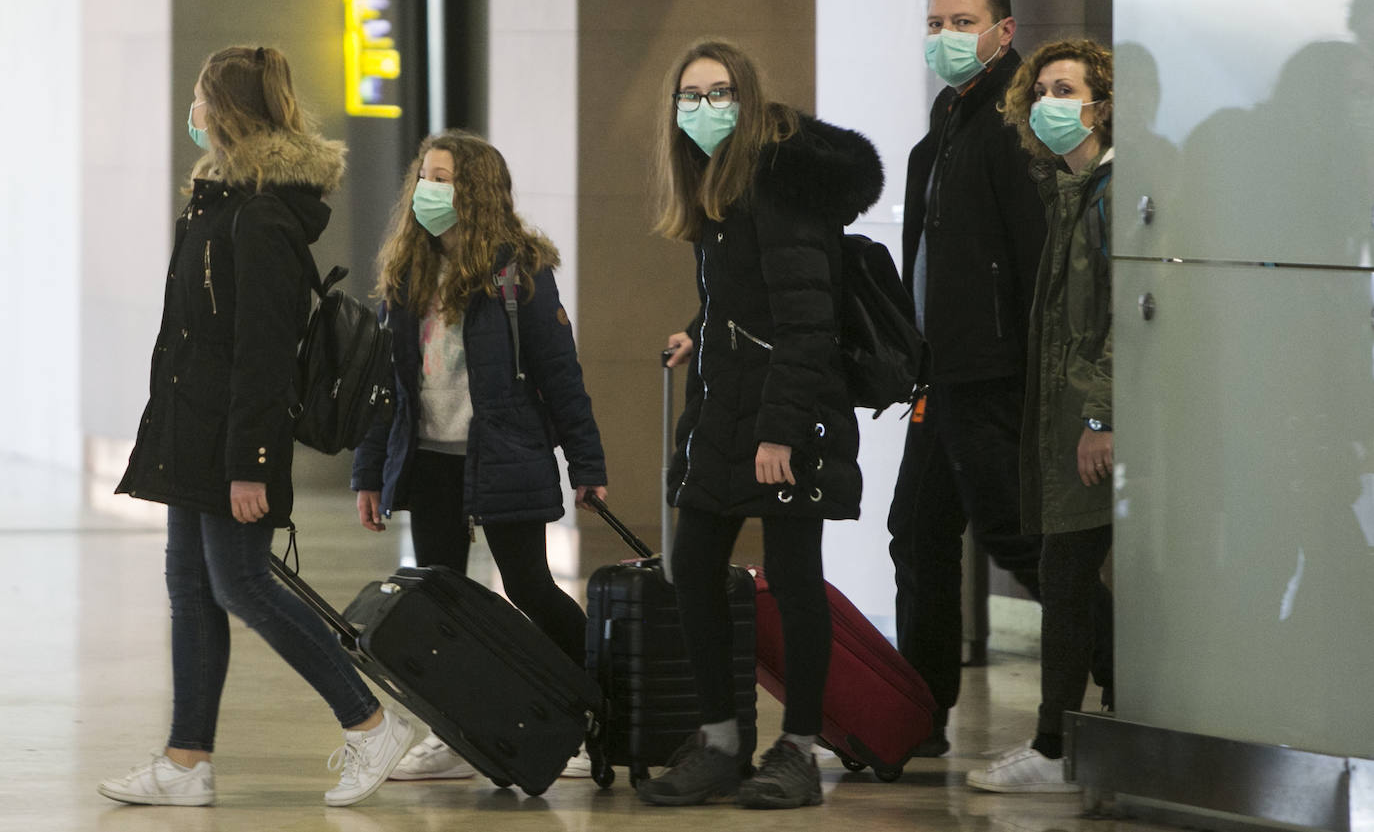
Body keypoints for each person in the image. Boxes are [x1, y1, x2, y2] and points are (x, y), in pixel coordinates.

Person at [104, 46, 418, 808]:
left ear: (229, 111)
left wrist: (251, 459)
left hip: (232, 435)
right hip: (194, 427)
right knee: (190, 583)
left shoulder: (263, 216)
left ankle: (370, 722)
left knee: (242, 581)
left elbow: (264, 352)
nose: (194, 111)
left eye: (202, 98)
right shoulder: (220, 201)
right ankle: (186, 760)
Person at [634, 39, 883, 809]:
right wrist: (696, 328)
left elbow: (807, 323)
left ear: (744, 100)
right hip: (726, 405)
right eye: (688, 95)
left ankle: (799, 749)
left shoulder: (777, 183)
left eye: (718, 93)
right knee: (694, 563)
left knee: (793, 577)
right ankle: (719, 742)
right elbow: (747, 296)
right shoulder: (719, 186)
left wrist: (780, 431)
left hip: (785, 416)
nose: (702, 108)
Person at [349, 129, 609, 782]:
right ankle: (458, 735)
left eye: (448, 179)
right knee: (441, 605)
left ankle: (598, 713)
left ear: (480, 192)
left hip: (503, 454)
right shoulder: (407, 271)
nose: (432, 191)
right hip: (429, 460)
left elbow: (561, 375)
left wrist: (588, 466)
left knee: (529, 588)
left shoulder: (517, 272)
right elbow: (387, 388)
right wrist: (368, 471)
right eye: (427, 177)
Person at [886, 0, 1056, 755]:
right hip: (939, 374)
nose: (944, 35)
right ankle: (921, 715)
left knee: (1012, 534)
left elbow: (1032, 261)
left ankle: (1124, 669)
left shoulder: (1012, 126)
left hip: (990, 374)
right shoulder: (949, 119)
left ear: (1003, 31)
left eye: (962, 21)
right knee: (916, 533)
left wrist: (1027, 375)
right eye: (935, 21)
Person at [968, 38, 1115, 793]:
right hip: (1063, 419)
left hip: (1092, 424)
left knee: (1067, 575)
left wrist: (1100, 415)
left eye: (1068, 90)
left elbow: (1125, 315)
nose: (1051, 104)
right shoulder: (1065, 191)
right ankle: (1085, 734)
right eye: (1042, 91)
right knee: (1065, 573)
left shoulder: (1111, 194)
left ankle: (1060, 745)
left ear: (1102, 101)